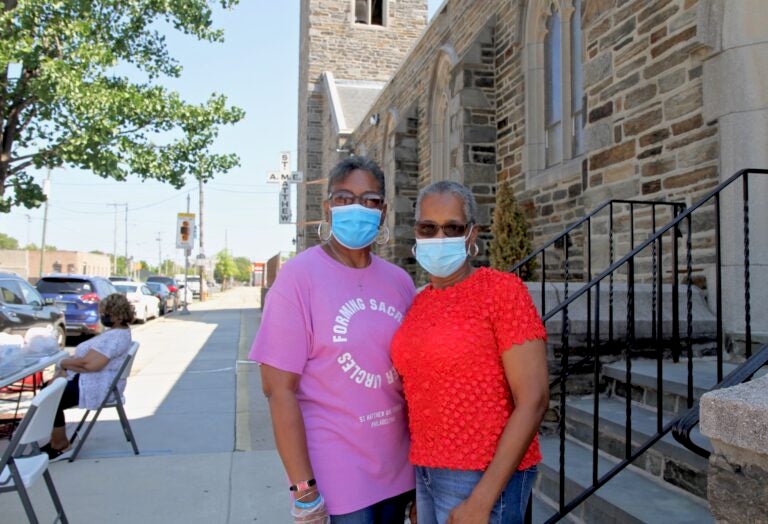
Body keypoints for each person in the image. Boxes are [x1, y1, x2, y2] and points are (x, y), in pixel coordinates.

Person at [250, 157, 416, 523]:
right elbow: (278, 390)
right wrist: (303, 490)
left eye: (370, 200)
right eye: (344, 198)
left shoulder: (399, 282)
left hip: (399, 470)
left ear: (384, 211)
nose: (357, 208)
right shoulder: (299, 279)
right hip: (337, 475)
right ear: (327, 207)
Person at [391, 181, 549, 524]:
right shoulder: (419, 304)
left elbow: (534, 399)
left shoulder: (502, 292)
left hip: (483, 477)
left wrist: (482, 499)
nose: (439, 237)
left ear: (472, 234)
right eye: (428, 228)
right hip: (427, 472)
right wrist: (421, 492)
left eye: (453, 227)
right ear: (416, 233)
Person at [42, 293, 134, 461]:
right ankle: (56, 440)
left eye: (106, 313)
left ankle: (61, 444)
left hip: (98, 386)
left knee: (49, 397)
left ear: (119, 315)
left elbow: (90, 365)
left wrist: (63, 363)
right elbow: (86, 362)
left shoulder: (115, 338)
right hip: (93, 381)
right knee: (47, 390)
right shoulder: (116, 333)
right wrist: (68, 364)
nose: (103, 316)